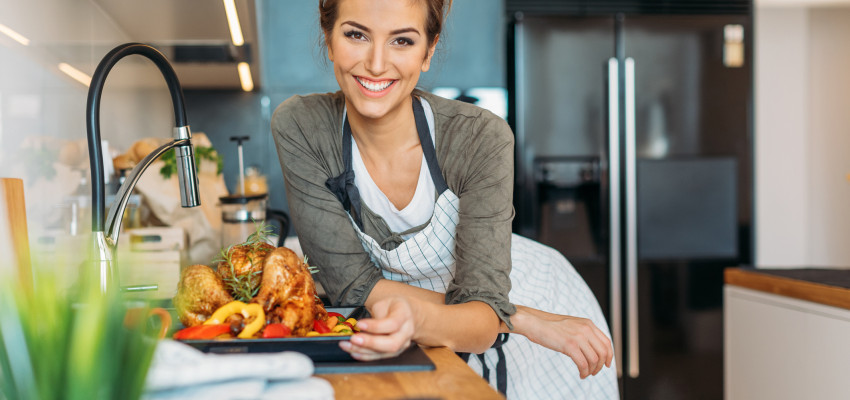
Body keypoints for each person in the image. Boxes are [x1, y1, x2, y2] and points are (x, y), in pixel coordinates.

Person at [272, 0, 619, 398]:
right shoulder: (302, 127)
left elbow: (483, 311)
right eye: (356, 35)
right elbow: (354, 288)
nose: (376, 62)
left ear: (428, 51)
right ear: (329, 39)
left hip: (534, 306)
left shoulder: (478, 138)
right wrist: (520, 318)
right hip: (511, 316)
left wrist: (503, 313)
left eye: (402, 40)